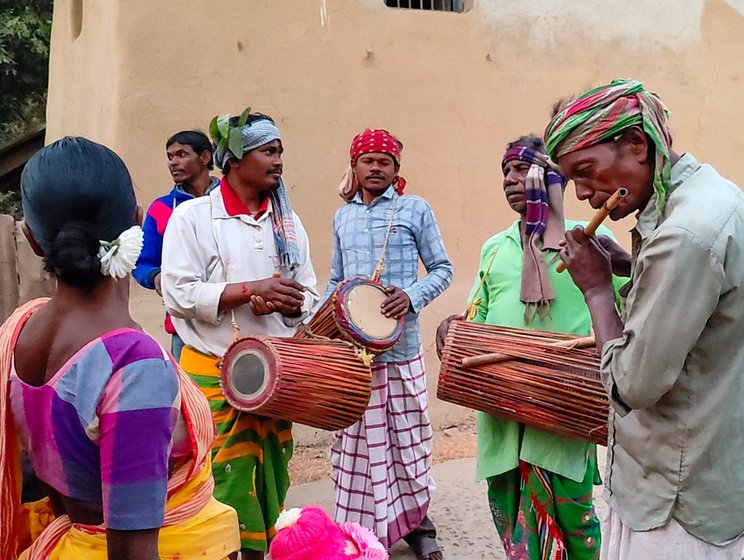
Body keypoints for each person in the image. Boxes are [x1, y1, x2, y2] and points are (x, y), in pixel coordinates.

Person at [0, 136, 240, 560]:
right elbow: (133, 551)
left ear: (32, 239)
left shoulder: (22, 330)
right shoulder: (133, 364)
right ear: (137, 221)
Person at [544, 79, 744, 559]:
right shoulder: (712, 196)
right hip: (703, 471)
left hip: (677, 499)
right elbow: (709, 303)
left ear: (637, 144)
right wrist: (631, 266)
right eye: (573, 180)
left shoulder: (683, 235)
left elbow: (633, 384)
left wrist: (595, 288)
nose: (585, 194)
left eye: (587, 171)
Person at [436, 135, 624, 560]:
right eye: (505, 171)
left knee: (577, 527)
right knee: (513, 528)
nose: (509, 179)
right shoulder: (494, 248)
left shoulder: (590, 239)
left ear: (548, 175)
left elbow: (628, 304)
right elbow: (476, 316)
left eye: (522, 169)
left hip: (563, 410)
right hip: (502, 416)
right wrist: (453, 330)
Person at [161, 111, 319, 559]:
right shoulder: (194, 218)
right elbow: (178, 294)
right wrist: (250, 291)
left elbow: (310, 291)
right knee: (218, 486)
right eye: (269, 151)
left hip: (273, 380)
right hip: (210, 375)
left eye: (280, 151)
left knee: (270, 482)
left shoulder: (287, 224)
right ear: (234, 159)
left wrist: (291, 303)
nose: (279, 161)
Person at [325, 128, 452, 560]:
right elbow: (334, 281)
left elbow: (442, 268)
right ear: (355, 167)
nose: (375, 167)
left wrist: (412, 296)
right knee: (356, 445)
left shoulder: (415, 209)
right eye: (367, 160)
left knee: (410, 440)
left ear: (396, 168)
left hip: (400, 350)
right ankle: (361, 530)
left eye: (384, 161)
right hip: (352, 357)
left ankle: (418, 526)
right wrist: (316, 323)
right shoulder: (342, 218)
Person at [133, 130, 219, 362]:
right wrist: (156, 277)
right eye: (170, 157)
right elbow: (142, 261)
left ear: (204, 157)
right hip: (184, 326)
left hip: (232, 320)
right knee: (190, 395)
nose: (173, 162)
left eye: (181, 154)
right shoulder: (161, 209)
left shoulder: (229, 203)